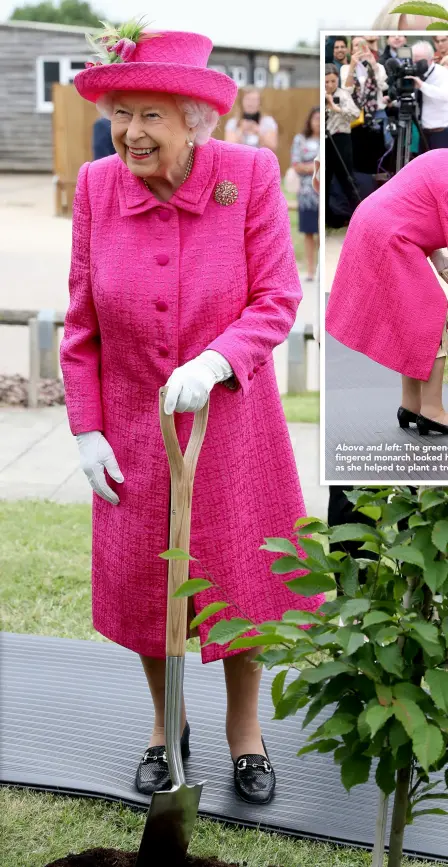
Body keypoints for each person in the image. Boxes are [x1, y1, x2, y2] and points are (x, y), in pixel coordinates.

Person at [60, 19, 324, 805]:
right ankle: (163, 724)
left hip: (232, 429)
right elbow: (80, 323)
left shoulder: (249, 175)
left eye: (150, 116)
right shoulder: (95, 186)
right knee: (151, 587)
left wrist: (217, 359)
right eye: (120, 114)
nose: (130, 134)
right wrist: (85, 425)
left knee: (238, 583)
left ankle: (246, 731)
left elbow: (279, 296)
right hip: (137, 431)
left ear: (194, 119)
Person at [325, 149, 448, 436]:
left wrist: (437, 256)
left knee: (414, 315)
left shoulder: (441, 158)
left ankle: (412, 404)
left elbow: (420, 209)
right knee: (433, 313)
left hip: (377, 225)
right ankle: (433, 410)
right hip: (390, 235)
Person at [341, 36, 388, 176]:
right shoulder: (345, 68)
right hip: (355, 118)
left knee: (376, 155)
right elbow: (346, 89)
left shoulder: (378, 67)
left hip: (375, 116)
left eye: (362, 44)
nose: (359, 48)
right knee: (357, 155)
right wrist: (352, 67)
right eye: (356, 45)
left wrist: (373, 63)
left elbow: (382, 85)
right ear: (351, 50)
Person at [324, 63, 361, 227]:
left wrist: (336, 108)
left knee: (347, 178)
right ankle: (327, 217)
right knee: (325, 180)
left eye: (333, 81)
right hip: (325, 140)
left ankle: (358, 214)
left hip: (341, 139)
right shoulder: (321, 94)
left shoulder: (343, 95)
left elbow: (355, 114)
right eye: (326, 82)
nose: (330, 85)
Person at [291, 107, 320, 281]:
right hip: (306, 193)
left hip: (321, 193)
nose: (317, 121)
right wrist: (314, 168)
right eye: (314, 118)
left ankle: (319, 268)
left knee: (319, 233)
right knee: (309, 232)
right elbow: (296, 163)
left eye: (319, 118)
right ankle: (309, 269)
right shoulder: (300, 140)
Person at [410, 41, 448, 151]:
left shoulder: (442, 73)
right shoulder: (415, 72)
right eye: (414, 60)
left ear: (431, 59)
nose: (416, 64)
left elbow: (445, 95)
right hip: (423, 131)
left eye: (419, 60)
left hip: (441, 132)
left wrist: (422, 85)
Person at [224, 87, 278, 151]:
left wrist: (258, 132)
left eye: (254, 100)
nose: (251, 103)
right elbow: (228, 148)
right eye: (248, 99)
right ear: (241, 102)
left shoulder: (268, 121)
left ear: (260, 102)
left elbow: (272, 147)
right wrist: (241, 130)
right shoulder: (232, 123)